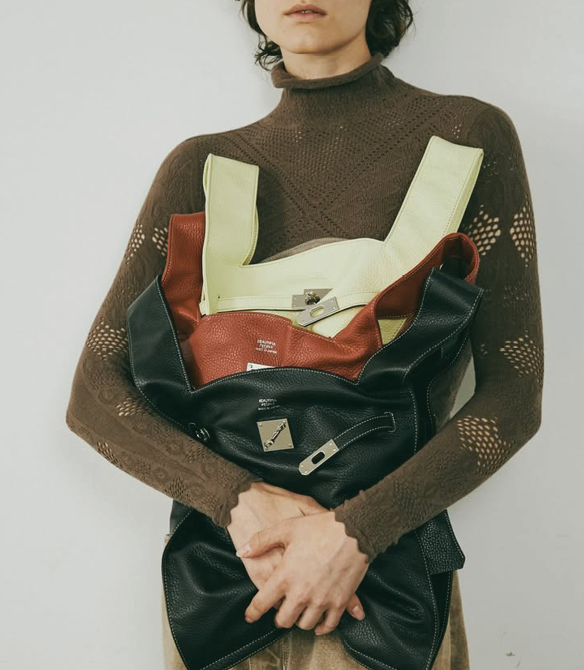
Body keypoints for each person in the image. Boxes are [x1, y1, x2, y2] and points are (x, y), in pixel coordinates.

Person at [64, 1, 544, 667]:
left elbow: (513, 398)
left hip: (385, 591)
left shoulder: (467, 138)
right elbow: (94, 394)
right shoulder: (202, 166)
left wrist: (358, 531)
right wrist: (237, 502)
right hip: (227, 588)